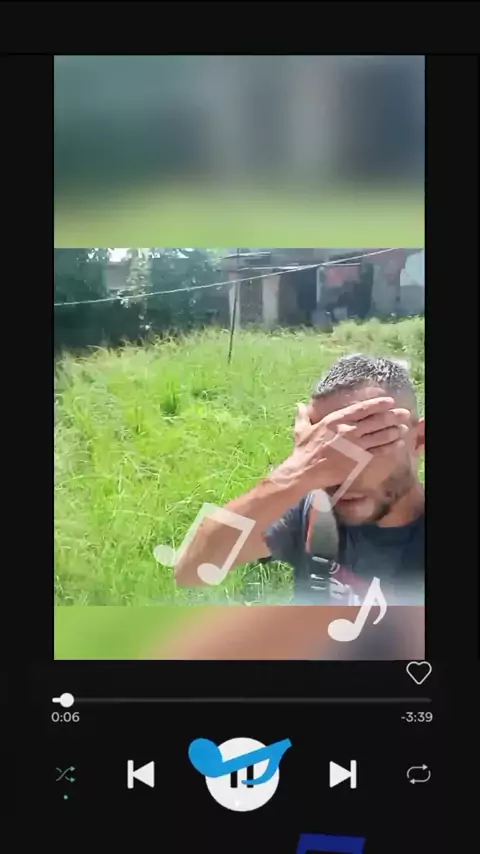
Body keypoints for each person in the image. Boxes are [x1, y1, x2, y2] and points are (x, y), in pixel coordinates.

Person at [174, 354, 425, 608]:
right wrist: (295, 473)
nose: (345, 475)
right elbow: (192, 570)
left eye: (372, 442)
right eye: (329, 449)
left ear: (419, 439)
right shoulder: (314, 509)